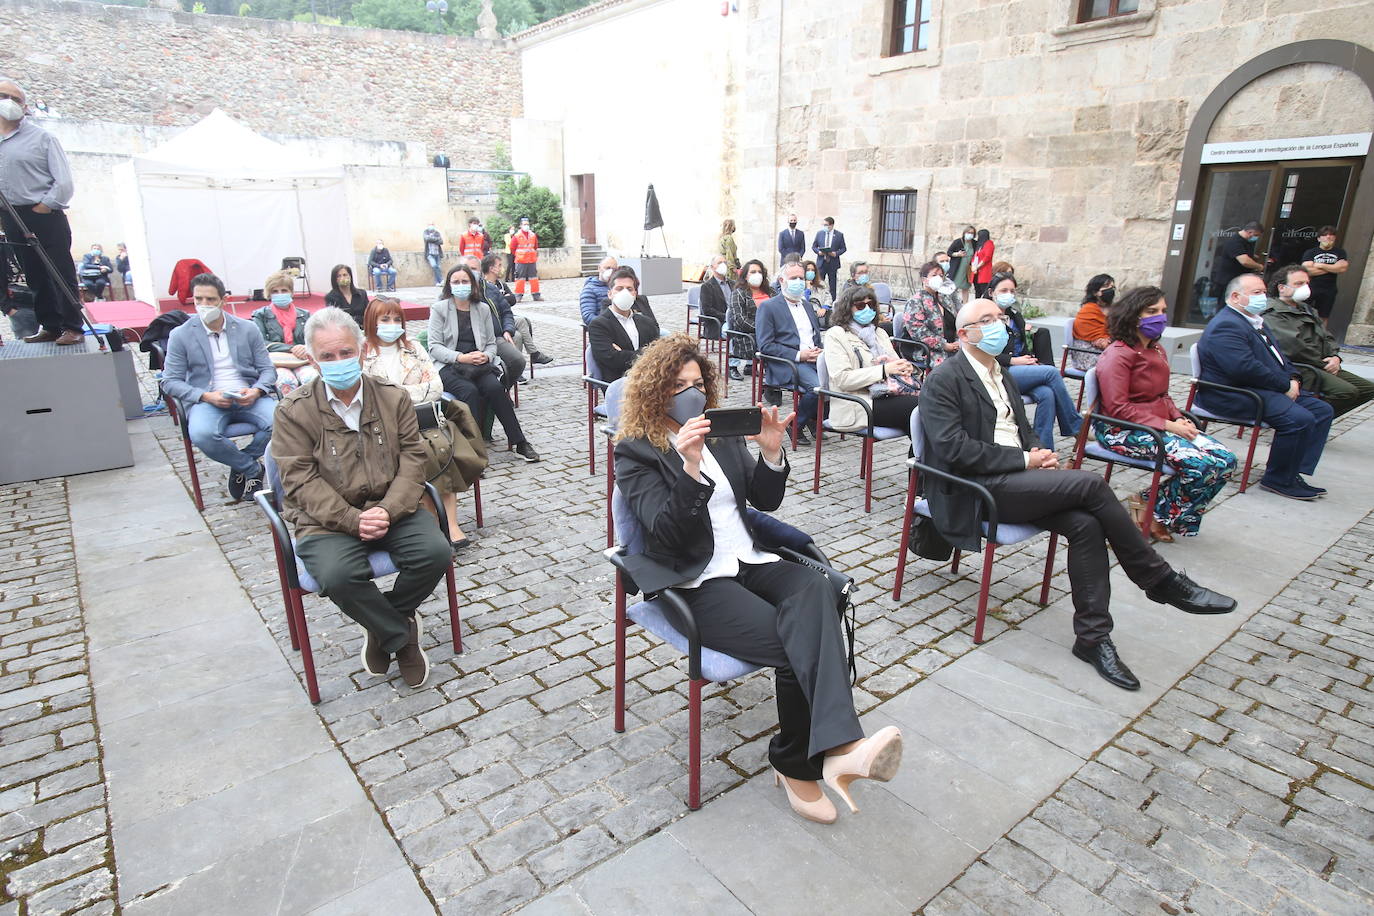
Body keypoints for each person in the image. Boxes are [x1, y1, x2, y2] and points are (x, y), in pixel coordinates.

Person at [614, 333, 903, 823]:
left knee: (816, 587)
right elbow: (664, 538)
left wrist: (771, 453)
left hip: (750, 560)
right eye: (677, 385)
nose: (690, 393)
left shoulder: (722, 434)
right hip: (696, 579)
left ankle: (834, 751)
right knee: (797, 642)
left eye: (697, 383)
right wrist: (688, 467)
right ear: (654, 391)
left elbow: (762, 503)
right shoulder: (636, 451)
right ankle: (806, 762)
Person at [919, 297, 1237, 690]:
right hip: (973, 488)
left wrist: (1036, 451)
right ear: (964, 334)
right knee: (1090, 484)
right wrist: (1024, 461)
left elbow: (1022, 426)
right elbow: (953, 449)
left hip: (1014, 480)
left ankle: (1093, 638)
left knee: (1086, 524)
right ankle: (1159, 579)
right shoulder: (944, 379)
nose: (998, 323)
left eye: (999, 317)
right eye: (986, 320)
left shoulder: (1000, 371)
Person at [271, 307, 451, 689]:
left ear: (361, 349)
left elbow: (413, 460)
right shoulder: (292, 412)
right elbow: (299, 481)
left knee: (436, 551)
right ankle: (399, 636)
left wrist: (387, 509)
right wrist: (353, 520)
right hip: (326, 520)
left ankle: (382, 623)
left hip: (394, 508)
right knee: (336, 575)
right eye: (327, 356)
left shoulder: (392, 397)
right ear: (314, 360)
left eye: (345, 353)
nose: (338, 363)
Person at [1095, 286, 1236, 541]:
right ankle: (1156, 513)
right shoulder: (1118, 355)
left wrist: (1177, 417)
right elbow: (1118, 408)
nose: (1159, 316)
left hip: (1158, 425)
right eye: (1151, 311)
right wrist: (1168, 426)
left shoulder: (1156, 350)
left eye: (1162, 311)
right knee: (1199, 466)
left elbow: (1163, 395)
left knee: (1225, 461)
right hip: (1123, 430)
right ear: (1133, 315)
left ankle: (1149, 506)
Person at [1197, 273, 1333, 501]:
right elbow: (1243, 368)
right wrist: (1283, 385)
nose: (1263, 297)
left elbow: (1280, 357)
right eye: (1256, 293)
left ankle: (1292, 471)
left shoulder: (1253, 320)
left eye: (1263, 292)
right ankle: (1278, 479)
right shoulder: (1227, 325)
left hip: (1262, 388)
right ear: (1235, 296)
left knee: (1322, 411)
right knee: (1299, 420)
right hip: (1233, 393)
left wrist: (1294, 379)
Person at [360, 296, 477, 550]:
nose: (392, 324)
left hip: (422, 421)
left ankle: (451, 522)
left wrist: (395, 393)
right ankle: (433, 519)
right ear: (372, 322)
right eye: (385, 319)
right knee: (418, 454)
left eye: (396, 319)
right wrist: (406, 392)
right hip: (382, 428)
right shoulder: (362, 354)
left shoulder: (413, 347)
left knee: (440, 448)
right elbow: (368, 398)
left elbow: (436, 387)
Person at [160, 273, 276, 501]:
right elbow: (169, 381)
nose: (204, 305)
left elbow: (268, 370)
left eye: (210, 300)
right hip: (208, 399)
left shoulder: (247, 329)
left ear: (223, 300)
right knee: (202, 434)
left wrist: (257, 390)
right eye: (198, 299)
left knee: (282, 423)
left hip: (248, 395)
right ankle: (250, 468)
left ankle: (240, 462)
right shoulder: (181, 334)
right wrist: (204, 396)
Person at [0, 78, 84, 344]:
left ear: (25, 107)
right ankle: (51, 325)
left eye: (17, 99)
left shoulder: (42, 137)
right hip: (11, 215)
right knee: (34, 274)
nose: (10, 103)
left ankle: (73, 327)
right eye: (5, 96)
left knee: (59, 271)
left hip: (43, 214)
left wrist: (44, 207)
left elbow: (64, 182)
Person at [428, 265, 540, 462]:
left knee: (496, 388)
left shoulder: (482, 309)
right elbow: (434, 347)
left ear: (473, 285)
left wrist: (486, 356)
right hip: (450, 365)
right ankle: (474, 450)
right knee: (469, 392)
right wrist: (460, 357)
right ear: (449, 285)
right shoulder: (439, 309)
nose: (461, 286)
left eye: (465, 282)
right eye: (456, 282)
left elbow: (490, 343)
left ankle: (520, 442)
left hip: (478, 364)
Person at [1264, 265, 1374, 419]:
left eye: (1307, 283)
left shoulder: (1308, 309)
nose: (1305, 288)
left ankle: (1317, 420)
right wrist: (1324, 363)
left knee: (1369, 388)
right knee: (1346, 392)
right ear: (1282, 288)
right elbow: (1293, 347)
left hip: (1321, 365)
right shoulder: (1272, 312)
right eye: (1299, 284)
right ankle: (1306, 419)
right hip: (1301, 367)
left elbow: (1327, 337)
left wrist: (1335, 357)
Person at [990, 272, 1081, 449]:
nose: (1009, 294)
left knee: (1047, 394)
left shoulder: (1015, 315)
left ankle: (1042, 450)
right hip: (999, 370)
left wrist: (1030, 362)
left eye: (1012, 291)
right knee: (1051, 372)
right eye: (1004, 290)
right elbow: (982, 350)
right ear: (992, 292)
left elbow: (1021, 346)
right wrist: (1013, 361)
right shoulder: (986, 317)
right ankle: (1076, 425)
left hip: (1018, 370)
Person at [822, 286, 920, 433]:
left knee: (928, 410)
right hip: (858, 401)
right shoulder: (836, 335)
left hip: (888, 392)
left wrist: (906, 367)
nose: (867, 309)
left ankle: (922, 455)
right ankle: (924, 455)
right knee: (920, 409)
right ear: (847, 309)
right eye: (860, 306)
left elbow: (894, 364)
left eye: (871, 305)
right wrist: (883, 370)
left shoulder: (879, 332)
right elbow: (842, 379)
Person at [757, 261, 823, 445]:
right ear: (782, 280)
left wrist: (819, 351)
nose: (799, 282)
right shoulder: (769, 307)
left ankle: (813, 418)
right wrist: (799, 355)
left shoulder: (808, 306)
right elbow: (766, 345)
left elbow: (815, 337)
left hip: (815, 359)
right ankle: (795, 425)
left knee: (840, 382)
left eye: (801, 278)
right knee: (817, 388)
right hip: (790, 363)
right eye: (793, 278)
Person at [589, 268, 660, 383]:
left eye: (629, 289)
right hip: (619, 384)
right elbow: (612, 359)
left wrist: (623, 354)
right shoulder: (599, 325)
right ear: (610, 294)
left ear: (635, 294)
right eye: (619, 289)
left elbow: (658, 353)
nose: (625, 293)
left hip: (649, 382)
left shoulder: (647, 322)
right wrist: (646, 355)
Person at [252, 269, 316, 395]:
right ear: (269, 294)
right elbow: (261, 343)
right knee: (286, 382)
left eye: (284, 290)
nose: (280, 294)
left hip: (303, 360)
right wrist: (291, 348)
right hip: (277, 363)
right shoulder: (260, 315)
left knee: (312, 379)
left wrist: (305, 348)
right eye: (275, 291)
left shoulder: (305, 314)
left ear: (291, 292)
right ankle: (291, 413)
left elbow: (315, 339)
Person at [899, 260, 960, 367]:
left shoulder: (945, 297)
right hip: (925, 349)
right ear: (924, 279)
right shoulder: (916, 301)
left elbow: (957, 320)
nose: (938, 278)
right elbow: (918, 331)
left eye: (941, 276)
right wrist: (944, 345)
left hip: (952, 345)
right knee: (952, 367)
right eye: (934, 275)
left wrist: (958, 342)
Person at [728, 259, 769, 376]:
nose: (757, 275)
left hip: (770, 332)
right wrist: (762, 329)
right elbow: (740, 319)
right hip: (749, 333)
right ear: (745, 276)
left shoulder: (770, 292)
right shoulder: (739, 293)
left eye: (759, 272)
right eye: (753, 272)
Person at [1300, 226, 1348, 324]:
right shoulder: (1311, 252)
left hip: (1329, 289)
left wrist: (1319, 265)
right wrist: (1333, 268)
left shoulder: (1340, 252)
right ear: (1319, 238)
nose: (1328, 237)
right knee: (1303, 313)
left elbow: (1342, 268)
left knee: (1323, 316)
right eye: (1325, 235)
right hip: (1310, 287)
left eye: (1331, 235)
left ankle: (1321, 338)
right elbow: (1306, 270)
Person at [1209, 221, 1264, 300]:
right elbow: (1244, 261)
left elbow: (1245, 253)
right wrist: (1259, 266)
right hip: (1228, 279)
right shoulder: (1235, 242)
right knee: (1227, 301)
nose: (1256, 238)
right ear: (1250, 232)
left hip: (1238, 278)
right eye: (1256, 235)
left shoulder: (1247, 241)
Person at [1070, 274, 1115, 371]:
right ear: (1095, 292)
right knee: (1121, 364)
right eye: (1106, 286)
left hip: (1108, 350)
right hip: (1087, 352)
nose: (1111, 289)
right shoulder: (1088, 310)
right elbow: (1098, 341)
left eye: (1112, 287)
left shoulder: (1114, 310)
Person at [811, 216, 846, 299]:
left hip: (832, 263)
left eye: (826, 225)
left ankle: (832, 302)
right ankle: (818, 299)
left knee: (832, 284)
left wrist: (836, 253)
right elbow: (814, 246)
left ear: (832, 225)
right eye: (824, 225)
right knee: (819, 283)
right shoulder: (819, 233)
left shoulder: (839, 235)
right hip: (821, 263)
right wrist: (818, 252)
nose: (825, 227)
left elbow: (843, 248)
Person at [510, 217, 542, 301]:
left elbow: (535, 246)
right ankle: (518, 296)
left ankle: (536, 295)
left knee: (534, 278)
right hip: (521, 260)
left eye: (527, 224)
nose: (526, 226)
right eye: (524, 224)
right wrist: (519, 255)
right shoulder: (517, 236)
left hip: (531, 260)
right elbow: (512, 248)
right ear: (520, 225)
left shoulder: (532, 235)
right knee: (520, 278)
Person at [699, 254, 732, 332]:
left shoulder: (733, 284)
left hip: (735, 320)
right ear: (712, 267)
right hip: (718, 323)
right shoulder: (707, 286)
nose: (723, 265)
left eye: (725, 263)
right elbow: (707, 310)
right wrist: (726, 317)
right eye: (719, 263)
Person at [581, 255, 618, 325]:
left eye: (614, 269)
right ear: (599, 268)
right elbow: (588, 316)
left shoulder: (618, 286)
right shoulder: (590, 289)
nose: (610, 271)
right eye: (607, 268)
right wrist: (608, 324)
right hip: (603, 327)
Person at [946, 226, 976, 302]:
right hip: (958, 267)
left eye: (972, 233)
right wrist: (957, 254)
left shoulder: (974, 243)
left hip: (968, 269)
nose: (970, 234)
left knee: (966, 287)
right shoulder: (958, 242)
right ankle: (951, 302)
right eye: (968, 232)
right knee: (954, 286)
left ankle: (965, 304)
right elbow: (949, 252)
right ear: (964, 233)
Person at [968, 229, 995, 299]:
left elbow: (987, 257)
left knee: (984, 290)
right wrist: (973, 267)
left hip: (984, 271)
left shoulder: (989, 243)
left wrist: (977, 266)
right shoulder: (979, 245)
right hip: (976, 272)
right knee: (977, 290)